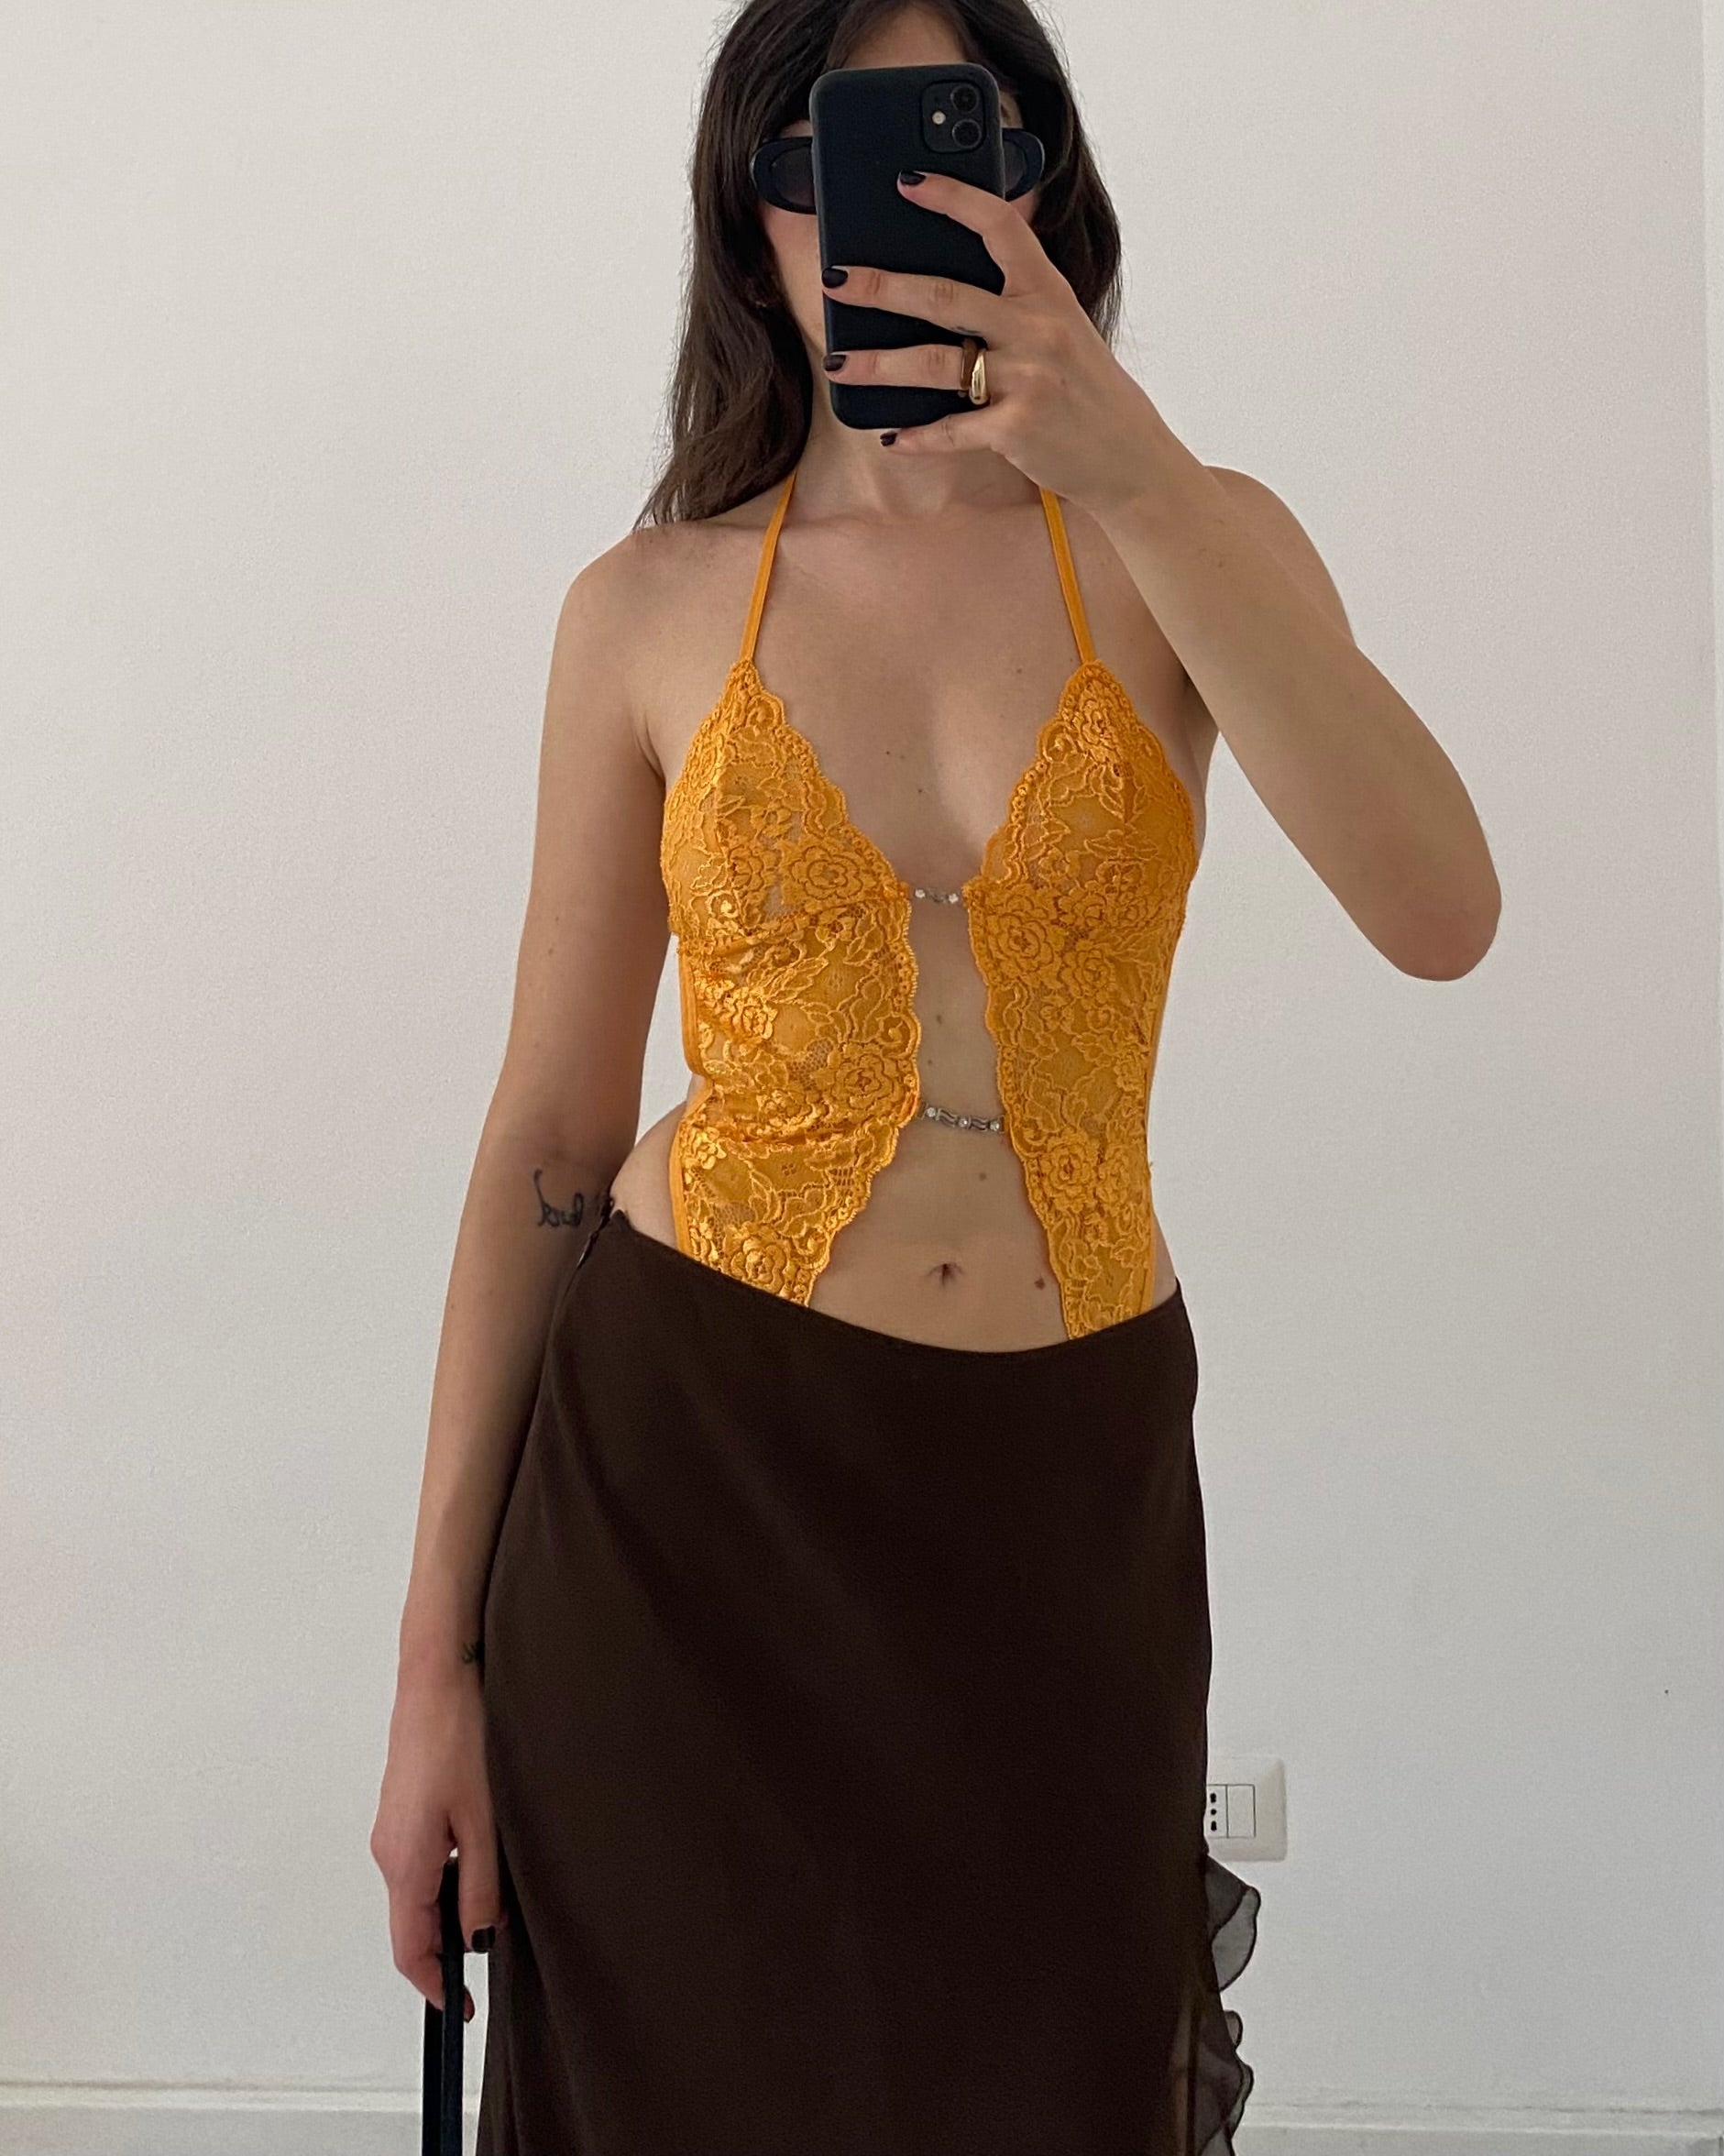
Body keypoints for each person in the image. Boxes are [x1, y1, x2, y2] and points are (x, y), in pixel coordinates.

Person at [369, 0, 1501, 2148]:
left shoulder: (1185, 540)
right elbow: (547, 1135)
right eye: (813, 160)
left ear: (1028, 178)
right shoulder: (646, 605)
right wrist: (434, 1672)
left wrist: (1127, 460)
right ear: (746, 217)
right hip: (682, 1497)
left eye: (932, 141)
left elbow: (1437, 910)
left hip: (1053, 1498)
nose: (868, 211)